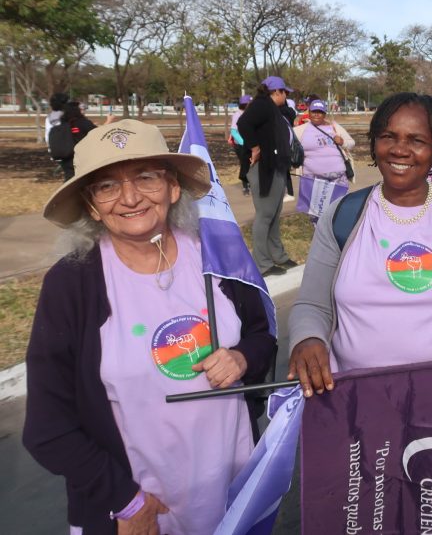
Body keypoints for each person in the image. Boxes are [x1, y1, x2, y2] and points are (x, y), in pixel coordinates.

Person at [24, 120, 275, 535]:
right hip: (139, 512)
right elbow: (48, 427)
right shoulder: (73, 283)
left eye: (146, 177)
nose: (130, 197)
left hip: (232, 493)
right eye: (107, 186)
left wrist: (242, 357)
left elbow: (262, 334)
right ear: (90, 205)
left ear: (173, 187)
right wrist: (125, 502)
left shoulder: (217, 257)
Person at [287, 93, 432, 396]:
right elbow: (311, 304)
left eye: (417, 140)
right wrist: (307, 339)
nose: (400, 150)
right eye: (388, 137)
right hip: (351, 402)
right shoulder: (342, 215)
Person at [237, 76, 297, 277]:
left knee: (274, 214)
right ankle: (262, 264)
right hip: (264, 169)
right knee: (265, 216)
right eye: (285, 93)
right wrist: (254, 147)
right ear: (276, 92)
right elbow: (244, 123)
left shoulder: (274, 110)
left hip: (276, 166)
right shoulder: (262, 105)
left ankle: (278, 256)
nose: (287, 97)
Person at [294, 99, 356, 188]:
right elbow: (288, 143)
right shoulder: (300, 130)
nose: (316, 114)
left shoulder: (334, 126)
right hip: (312, 179)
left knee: (338, 202)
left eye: (320, 112)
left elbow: (351, 143)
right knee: (311, 202)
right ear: (309, 112)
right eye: (314, 111)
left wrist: (342, 142)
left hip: (338, 179)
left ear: (324, 114)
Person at [56, 101, 98, 181]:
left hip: (66, 158)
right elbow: (97, 132)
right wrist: (109, 120)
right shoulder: (83, 122)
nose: (83, 111)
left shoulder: (62, 124)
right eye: (81, 109)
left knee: (69, 180)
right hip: (83, 157)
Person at [228, 94, 252, 195]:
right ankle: (245, 186)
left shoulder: (249, 113)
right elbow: (234, 131)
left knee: (250, 164)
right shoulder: (238, 115)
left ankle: (250, 183)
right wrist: (243, 142)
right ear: (246, 104)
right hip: (241, 145)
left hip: (250, 144)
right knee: (245, 164)